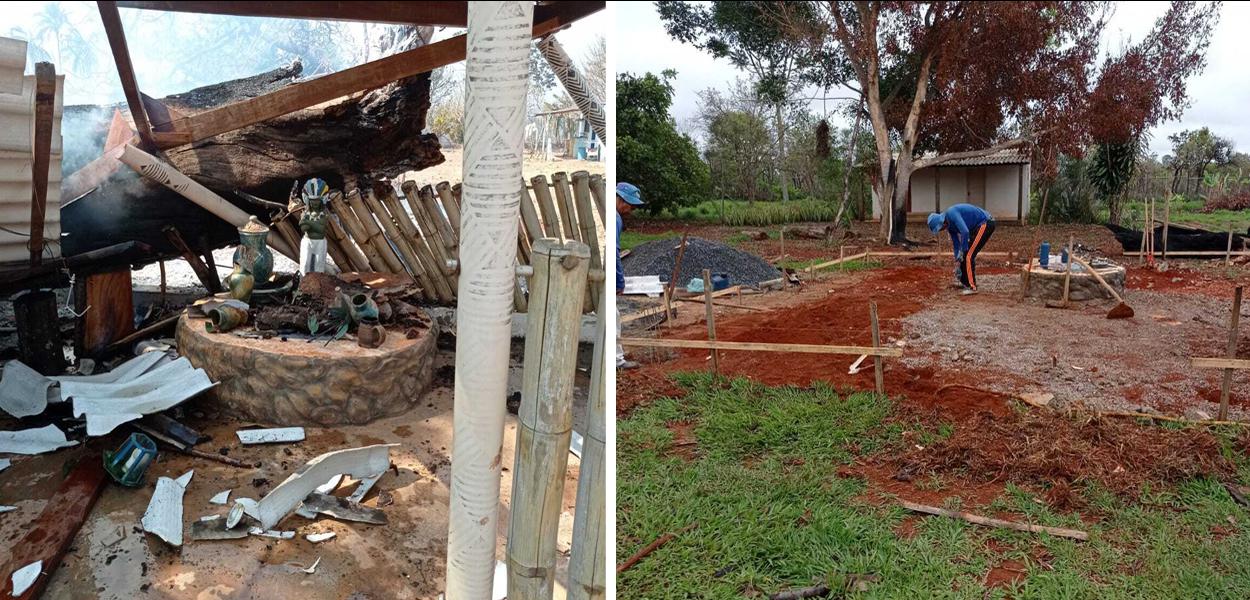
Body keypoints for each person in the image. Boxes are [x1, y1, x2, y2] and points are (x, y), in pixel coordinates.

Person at [928, 203, 995, 295]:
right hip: (976, 227)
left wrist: (962, 251)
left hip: (985, 223)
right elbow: (956, 244)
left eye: (939, 228)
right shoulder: (949, 227)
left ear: (941, 222)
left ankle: (972, 287)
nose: (941, 230)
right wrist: (957, 261)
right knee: (965, 255)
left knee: (968, 255)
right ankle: (966, 283)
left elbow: (965, 232)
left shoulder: (951, 213)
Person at [616, 182, 645, 369]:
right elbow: (614, 252)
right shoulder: (616, 219)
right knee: (613, 317)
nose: (631, 209)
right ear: (619, 198)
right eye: (630, 205)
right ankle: (617, 361)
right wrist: (619, 281)